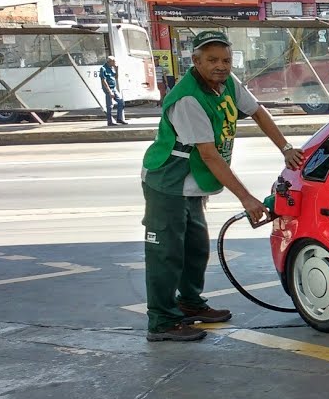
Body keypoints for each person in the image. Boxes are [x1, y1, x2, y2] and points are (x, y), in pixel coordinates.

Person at [140, 30, 304, 342]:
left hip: (192, 183)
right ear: (196, 61)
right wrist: (247, 199)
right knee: (167, 253)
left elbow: (257, 111)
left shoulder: (226, 83)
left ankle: (189, 304)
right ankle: (161, 321)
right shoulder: (188, 99)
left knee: (196, 248)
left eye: (226, 60)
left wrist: (285, 147)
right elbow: (210, 156)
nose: (220, 65)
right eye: (212, 60)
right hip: (169, 182)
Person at [99, 56, 127, 126]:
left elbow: (116, 77)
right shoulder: (103, 68)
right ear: (110, 61)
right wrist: (109, 91)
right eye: (114, 61)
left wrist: (117, 70)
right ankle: (110, 121)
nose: (115, 63)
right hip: (108, 88)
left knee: (121, 102)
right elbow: (103, 81)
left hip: (114, 88)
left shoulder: (112, 68)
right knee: (110, 105)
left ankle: (119, 119)